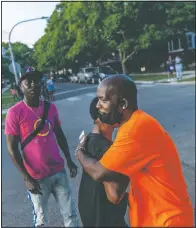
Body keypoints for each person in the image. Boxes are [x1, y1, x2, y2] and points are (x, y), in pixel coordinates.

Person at [75, 75, 194, 227]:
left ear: (122, 104)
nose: (98, 105)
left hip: (167, 219)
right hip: (153, 217)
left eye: (103, 100)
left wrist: (79, 152)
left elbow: (99, 172)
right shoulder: (130, 126)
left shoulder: (135, 129)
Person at [5, 70, 78, 227]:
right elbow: (12, 149)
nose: (33, 84)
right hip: (36, 178)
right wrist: (27, 177)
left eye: (36, 81)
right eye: (28, 82)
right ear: (20, 87)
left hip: (59, 171)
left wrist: (69, 160)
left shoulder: (50, 108)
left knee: (71, 215)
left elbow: (60, 136)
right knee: (41, 221)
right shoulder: (14, 113)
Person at [78, 97, 129, 227]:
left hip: (89, 211)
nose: (119, 113)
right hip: (104, 218)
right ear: (102, 116)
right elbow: (115, 194)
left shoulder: (88, 139)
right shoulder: (105, 148)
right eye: (114, 110)